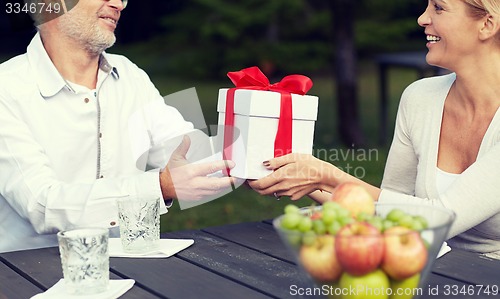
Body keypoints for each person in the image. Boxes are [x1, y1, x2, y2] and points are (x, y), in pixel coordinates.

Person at [250, 0, 500, 259]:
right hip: (423, 271)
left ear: (487, 24)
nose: (422, 19)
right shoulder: (420, 97)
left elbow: (441, 217)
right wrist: (295, 176)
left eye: (438, 7)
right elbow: (386, 209)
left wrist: (329, 176)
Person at [0, 0, 237, 252]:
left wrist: (258, 160)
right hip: (27, 276)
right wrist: (158, 186)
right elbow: (42, 205)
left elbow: (188, 155)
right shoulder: (7, 88)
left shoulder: (129, 73)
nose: (118, 4)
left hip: (128, 267)